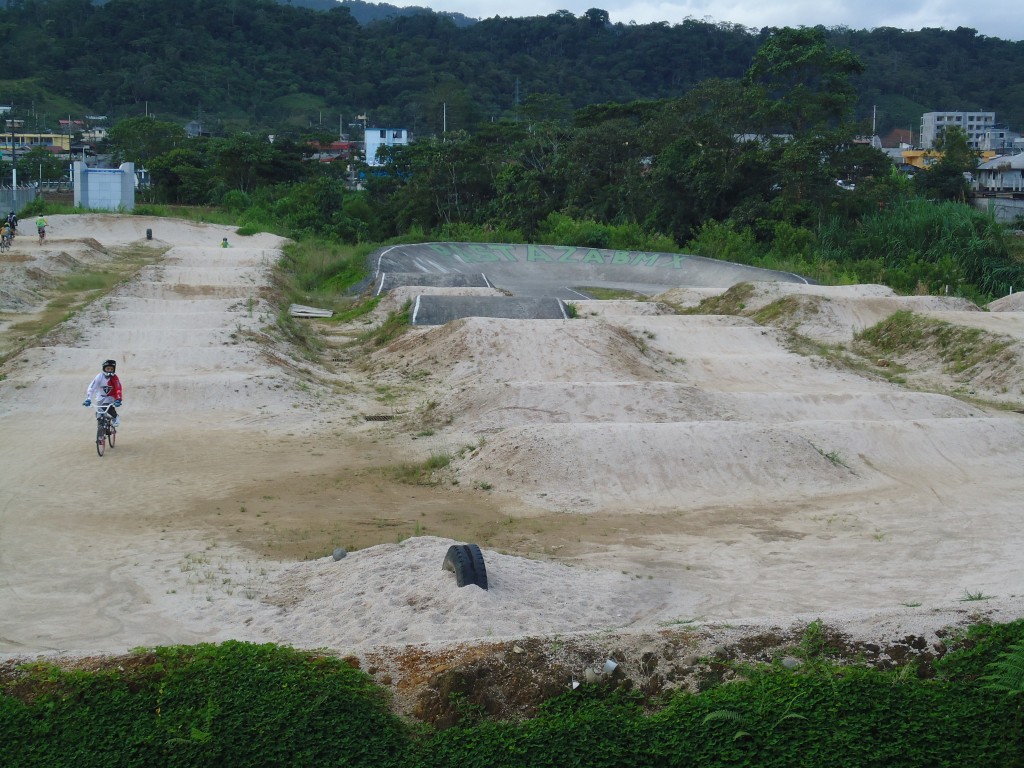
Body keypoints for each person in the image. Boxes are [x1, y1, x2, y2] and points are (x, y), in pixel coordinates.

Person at [83, 359, 123, 428]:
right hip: (100, 396)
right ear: (104, 369)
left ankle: (115, 417)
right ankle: (101, 431)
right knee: (99, 413)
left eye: (111, 369)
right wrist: (88, 399)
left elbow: (118, 388)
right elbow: (91, 388)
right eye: (108, 369)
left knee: (105, 406)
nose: (109, 370)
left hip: (111, 396)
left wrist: (118, 399)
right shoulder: (99, 376)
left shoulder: (115, 378)